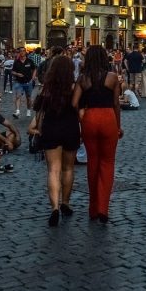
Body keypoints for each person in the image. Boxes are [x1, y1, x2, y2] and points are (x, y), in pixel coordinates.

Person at [73, 45, 123, 223]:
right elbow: (116, 103)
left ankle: (93, 208)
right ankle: (103, 208)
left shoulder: (83, 78)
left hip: (90, 118)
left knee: (92, 162)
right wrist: (118, 126)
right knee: (107, 163)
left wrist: (81, 117)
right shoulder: (112, 77)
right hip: (108, 116)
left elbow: (74, 103)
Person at [32, 55, 82, 226]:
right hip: (70, 128)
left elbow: (38, 110)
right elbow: (79, 109)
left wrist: (37, 129)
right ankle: (65, 203)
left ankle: (54, 207)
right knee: (68, 169)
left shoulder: (46, 88)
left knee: (53, 170)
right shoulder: (75, 88)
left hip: (51, 128)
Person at [10, 48, 37, 119]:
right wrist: (17, 74)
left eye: (23, 51)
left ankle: (28, 110)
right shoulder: (17, 62)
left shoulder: (29, 61)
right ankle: (17, 111)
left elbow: (34, 69)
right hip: (19, 82)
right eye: (20, 51)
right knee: (18, 96)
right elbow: (12, 71)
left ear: (25, 52)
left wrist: (33, 78)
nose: (22, 52)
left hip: (28, 82)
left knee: (28, 97)